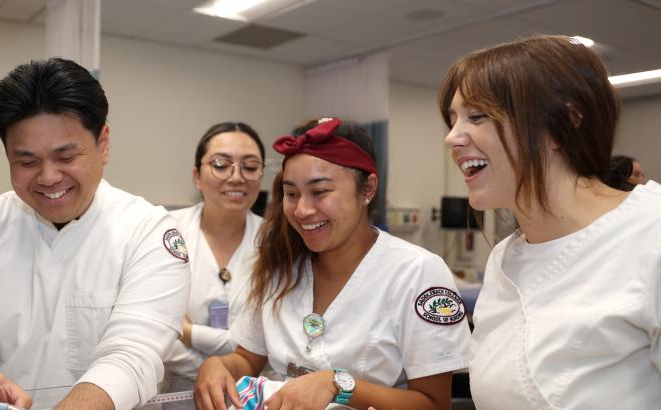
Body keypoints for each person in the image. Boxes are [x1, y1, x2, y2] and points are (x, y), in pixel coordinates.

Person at [0, 57, 191, 410]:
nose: (48, 177)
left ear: (103, 143)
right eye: (27, 162)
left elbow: (131, 356)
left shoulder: (148, 232)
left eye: (66, 157)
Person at [440, 35, 661, 409]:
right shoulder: (504, 259)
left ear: (562, 125)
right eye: (452, 120)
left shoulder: (650, 235)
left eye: (476, 116)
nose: (451, 138)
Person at [194, 118, 471, 410]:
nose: (302, 210)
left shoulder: (417, 273)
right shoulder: (280, 264)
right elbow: (247, 358)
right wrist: (218, 366)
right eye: (291, 194)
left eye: (320, 192)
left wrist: (339, 386)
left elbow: (434, 404)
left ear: (367, 189)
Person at [163, 122, 265, 383]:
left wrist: (187, 332)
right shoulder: (165, 232)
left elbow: (269, 344)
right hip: (176, 395)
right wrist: (223, 368)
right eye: (221, 164)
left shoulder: (278, 243)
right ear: (197, 176)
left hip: (253, 397)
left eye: (250, 166)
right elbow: (156, 335)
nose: (237, 176)